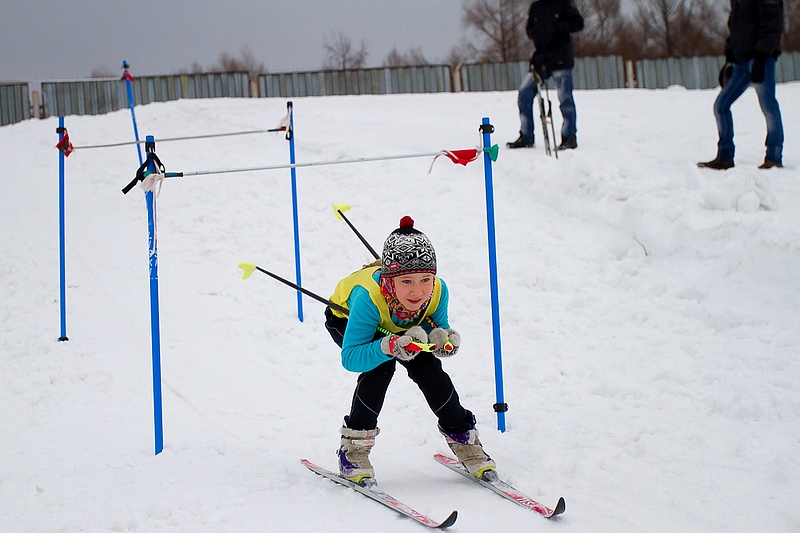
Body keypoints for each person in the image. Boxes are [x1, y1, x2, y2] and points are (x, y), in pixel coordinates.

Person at [324, 216, 495, 484]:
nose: (417, 291)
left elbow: (437, 326)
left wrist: (443, 340)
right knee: (380, 367)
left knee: (428, 368)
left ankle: (463, 436)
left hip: (402, 324)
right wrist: (389, 345)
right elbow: (351, 357)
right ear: (391, 280)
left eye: (425, 279)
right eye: (406, 281)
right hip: (347, 319)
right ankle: (354, 447)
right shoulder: (368, 298)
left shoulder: (438, 290)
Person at [698, 0, 784, 170]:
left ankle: (774, 157)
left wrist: (761, 56)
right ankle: (725, 156)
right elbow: (737, 26)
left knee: (768, 106)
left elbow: (772, 24)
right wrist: (730, 53)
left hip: (761, 58)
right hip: (741, 61)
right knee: (721, 106)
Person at [507, 0, 584, 151]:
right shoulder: (536, 7)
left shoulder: (564, 3)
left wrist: (558, 27)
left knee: (565, 98)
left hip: (561, 59)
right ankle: (526, 135)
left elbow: (578, 23)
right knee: (524, 93)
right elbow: (529, 29)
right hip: (541, 60)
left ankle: (569, 137)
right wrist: (536, 33)